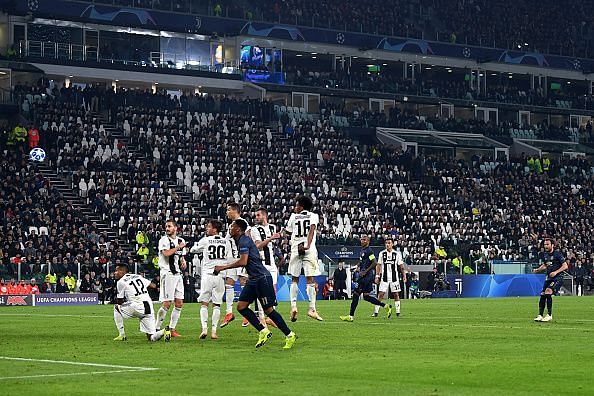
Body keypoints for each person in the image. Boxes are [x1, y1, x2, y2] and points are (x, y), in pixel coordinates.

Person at [214, 219, 297, 349]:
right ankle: (263, 331)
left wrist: (223, 267)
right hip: (253, 279)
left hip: (261, 278)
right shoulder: (240, 241)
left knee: (268, 310)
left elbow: (243, 261)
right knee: (241, 307)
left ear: (238, 230)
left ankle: (289, 334)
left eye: (232, 226)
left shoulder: (244, 240)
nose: (230, 228)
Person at [285, 195, 323, 322]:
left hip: (296, 248)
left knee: (294, 279)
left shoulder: (293, 216)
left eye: (297, 205)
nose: (295, 207)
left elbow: (288, 231)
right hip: (309, 249)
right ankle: (312, 309)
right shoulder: (314, 216)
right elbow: (312, 230)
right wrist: (307, 245)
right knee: (310, 279)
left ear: (301, 206)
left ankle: (293, 306)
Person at [112, 263, 171, 342]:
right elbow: (153, 285)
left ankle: (122, 335)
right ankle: (164, 331)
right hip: (149, 307)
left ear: (123, 271)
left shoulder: (120, 282)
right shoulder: (138, 276)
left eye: (117, 270)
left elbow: (120, 301)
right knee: (151, 337)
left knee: (116, 307)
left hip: (136, 306)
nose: (114, 273)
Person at [195, 219, 233, 339]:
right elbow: (230, 259)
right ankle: (214, 331)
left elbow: (193, 250)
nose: (207, 228)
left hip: (207, 275)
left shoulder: (205, 240)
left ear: (215, 229)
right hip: (220, 276)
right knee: (217, 305)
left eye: (209, 227)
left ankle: (204, 329)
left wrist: (200, 249)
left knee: (204, 304)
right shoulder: (226, 242)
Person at [341, 235, 392, 322]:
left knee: (356, 294)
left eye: (364, 240)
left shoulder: (369, 251)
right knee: (366, 297)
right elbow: (362, 262)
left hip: (365, 277)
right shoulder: (362, 251)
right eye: (361, 239)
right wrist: (356, 267)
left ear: (368, 241)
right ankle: (386, 306)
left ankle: (350, 316)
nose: (362, 241)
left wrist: (365, 271)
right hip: (365, 276)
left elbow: (374, 263)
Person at [220, 202, 250, 327]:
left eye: (228, 210)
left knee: (243, 282)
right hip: (231, 258)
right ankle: (229, 313)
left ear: (234, 211)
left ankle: (246, 314)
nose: (227, 212)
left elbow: (247, 237)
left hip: (240, 257)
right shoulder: (230, 225)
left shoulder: (243, 223)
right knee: (229, 283)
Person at [155, 219, 187, 337]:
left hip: (178, 275)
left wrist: (183, 262)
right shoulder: (164, 240)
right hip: (167, 273)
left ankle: (172, 329)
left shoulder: (181, 240)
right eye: (166, 226)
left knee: (179, 303)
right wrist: (178, 247)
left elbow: (181, 258)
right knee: (167, 303)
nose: (167, 228)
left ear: (175, 228)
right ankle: (156, 328)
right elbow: (166, 254)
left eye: (169, 226)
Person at [251, 207, 281, 327]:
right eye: (256, 215)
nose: (256, 218)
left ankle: (271, 317)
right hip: (261, 263)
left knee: (272, 291)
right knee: (261, 291)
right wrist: (271, 238)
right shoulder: (254, 229)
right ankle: (262, 318)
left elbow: (273, 247)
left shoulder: (273, 227)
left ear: (264, 216)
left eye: (258, 215)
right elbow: (258, 245)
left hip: (272, 263)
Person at [533, 238, 569, 322]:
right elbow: (546, 265)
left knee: (548, 291)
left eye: (547, 244)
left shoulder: (557, 254)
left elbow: (565, 266)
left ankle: (549, 314)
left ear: (552, 245)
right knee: (542, 294)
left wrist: (556, 272)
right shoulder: (545, 255)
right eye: (545, 244)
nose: (545, 246)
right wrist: (538, 270)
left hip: (558, 278)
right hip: (549, 278)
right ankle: (540, 315)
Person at [373, 238, 406, 317]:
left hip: (394, 278)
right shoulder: (382, 253)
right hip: (384, 278)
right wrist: (377, 276)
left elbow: (401, 266)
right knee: (380, 294)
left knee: (396, 294)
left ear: (392, 244)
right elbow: (379, 265)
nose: (387, 245)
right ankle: (376, 312)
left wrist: (404, 275)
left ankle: (398, 312)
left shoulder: (397, 254)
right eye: (386, 243)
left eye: (389, 243)